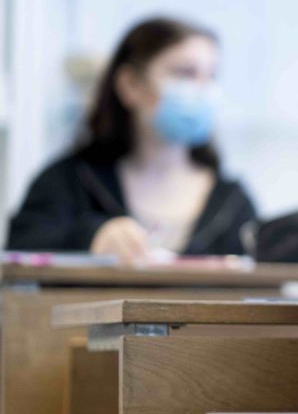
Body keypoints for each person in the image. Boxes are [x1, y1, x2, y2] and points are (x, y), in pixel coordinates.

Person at [8, 17, 257, 263]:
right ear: (130, 85)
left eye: (211, 75)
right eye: (185, 73)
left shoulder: (233, 203)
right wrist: (91, 239)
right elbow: (19, 252)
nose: (203, 90)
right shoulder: (69, 182)